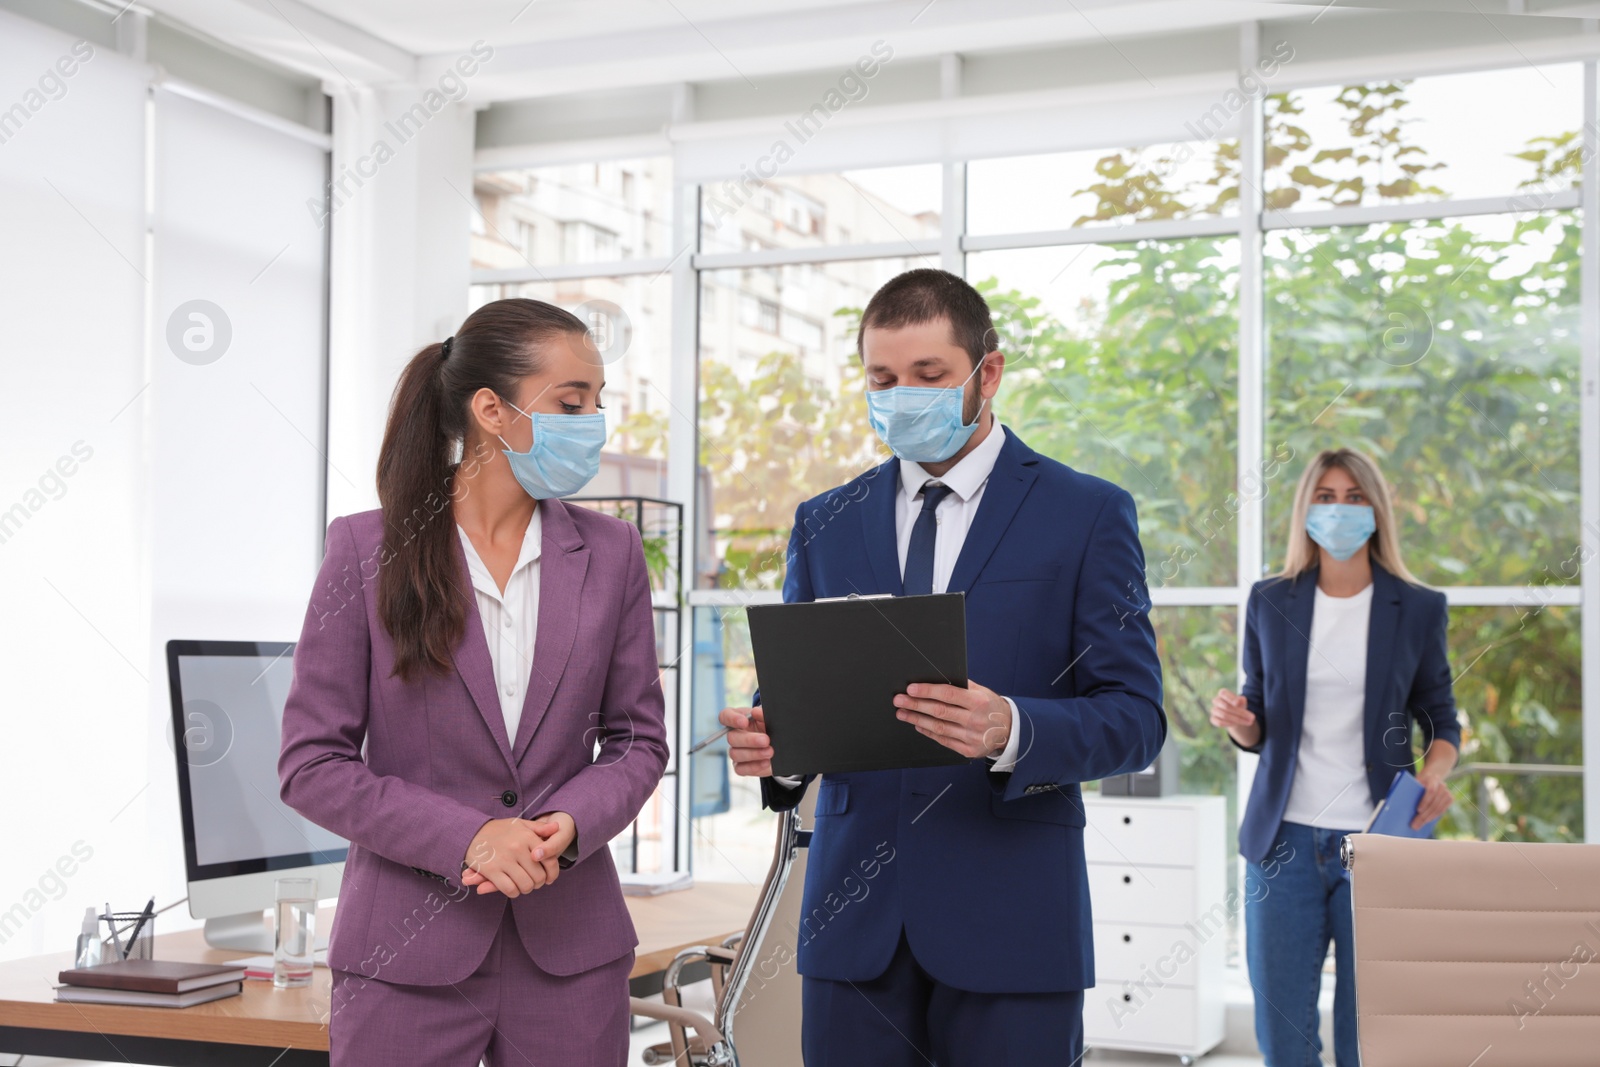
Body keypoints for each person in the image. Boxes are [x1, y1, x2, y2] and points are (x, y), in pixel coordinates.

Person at [719, 268, 1166, 1065]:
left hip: (1014, 927)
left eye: (929, 376)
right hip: (852, 932)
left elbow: (1136, 717)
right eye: (882, 379)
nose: (902, 397)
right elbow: (793, 696)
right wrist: (772, 746)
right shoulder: (824, 522)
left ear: (986, 373)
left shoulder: (1087, 513)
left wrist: (1015, 727)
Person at [278, 298, 669, 1067]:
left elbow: (638, 739)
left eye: (597, 400)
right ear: (491, 408)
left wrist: (571, 823)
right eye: (571, 400)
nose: (593, 420)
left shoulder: (614, 551)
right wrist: (471, 837)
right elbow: (311, 763)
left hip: (570, 952)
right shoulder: (366, 548)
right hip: (404, 955)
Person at [1210, 447, 1459, 1067]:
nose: (1340, 510)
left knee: (1368, 1038)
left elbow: (1442, 720)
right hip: (1283, 843)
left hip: (1379, 841)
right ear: (1305, 509)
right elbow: (1259, 723)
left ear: (1376, 510)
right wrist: (1242, 723)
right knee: (1284, 1038)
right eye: (1325, 497)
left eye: (1354, 497)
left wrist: (1434, 775)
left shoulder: (1418, 607)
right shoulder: (1271, 600)